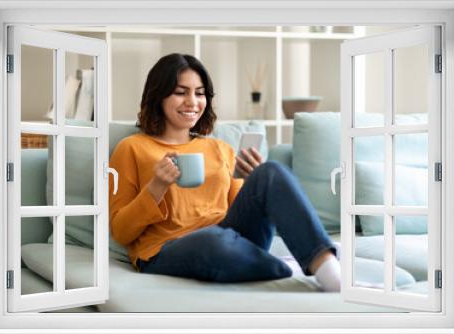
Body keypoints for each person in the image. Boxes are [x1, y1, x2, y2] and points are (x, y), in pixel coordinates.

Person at [109, 53, 341, 292]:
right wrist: (156, 186)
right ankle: (284, 267)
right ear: (158, 95)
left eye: (199, 93)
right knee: (211, 240)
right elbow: (121, 232)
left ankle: (326, 266)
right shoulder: (132, 148)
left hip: (230, 239)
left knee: (270, 171)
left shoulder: (219, 148)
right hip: (166, 249)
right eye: (181, 92)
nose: (192, 102)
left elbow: (238, 217)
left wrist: (251, 183)